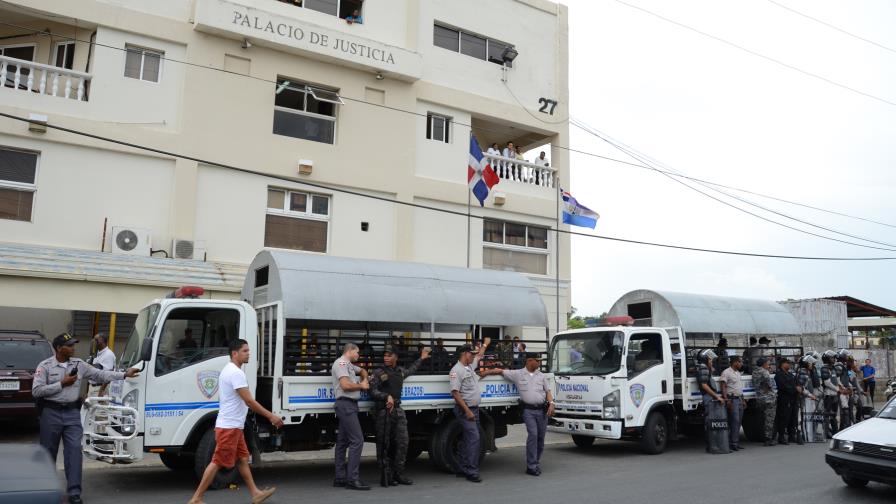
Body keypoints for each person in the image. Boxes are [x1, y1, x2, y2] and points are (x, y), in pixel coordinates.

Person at [32, 333, 140, 504]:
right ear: (59, 348)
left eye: (74, 344)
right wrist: (61, 384)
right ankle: (47, 491)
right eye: (70, 345)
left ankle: (74, 493)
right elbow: (37, 391)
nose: (74, 348)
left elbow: (100, 375)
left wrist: (124, 374)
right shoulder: (45, 366)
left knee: (74, 452)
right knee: (47, 454)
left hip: (72, 414)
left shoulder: (79, 364)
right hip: (51, 413)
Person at [189, 339, 281, 504]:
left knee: (242, 459)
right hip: (229, 427)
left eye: (248, 350)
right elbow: (249, 401)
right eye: (245, 351)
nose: (248, 353)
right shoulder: (235, 373)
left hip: (233, 426)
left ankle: (255, 494)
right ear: (235, 353)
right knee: (217, 461)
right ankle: (197, 497)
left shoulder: (228, 370)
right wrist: (271, 416)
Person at [481, 353, 554, 475]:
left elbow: (548, 391)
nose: (540, 363)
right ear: (530, 361)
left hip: (542, 411)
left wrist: (552, 403)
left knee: (540, 438)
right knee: (533, 435)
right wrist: (486, 373)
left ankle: (535, 461)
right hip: (528, 411)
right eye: (538, 361)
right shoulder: (518, 374)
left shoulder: (541, 376)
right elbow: (500, 371)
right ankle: (531, 466)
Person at [368, 344, 430, 486]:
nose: (386, 357)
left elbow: (412, 369)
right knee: (384, 445)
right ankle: (386, 475)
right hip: (383, 412)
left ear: (396, 357)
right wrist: (385, 396)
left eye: (389, 355)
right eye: (385, 355)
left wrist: (422, 358)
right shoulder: (378, 372)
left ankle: (398, 473)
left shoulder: (400, 371)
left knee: (403, 442)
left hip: (397, 410)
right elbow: (372, 391)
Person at [450, 337, 490, 482]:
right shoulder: (457, 370)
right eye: (471, 354)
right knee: (474, 439)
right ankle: (471, 471)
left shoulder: (468, 367)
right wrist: (467, 411)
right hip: (466, 410)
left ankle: (463, 468)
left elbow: (480, 356)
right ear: (465, 354)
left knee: (468, 440)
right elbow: (455, 393)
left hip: (474, 409)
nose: (473, 356)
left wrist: (485, 344)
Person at [332, 343, 370, 490]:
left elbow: (363, 371)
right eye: (357, 352)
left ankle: (340, 478)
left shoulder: (349, 365)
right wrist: (362, 386)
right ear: (350, 350)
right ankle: (352, 479)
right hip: (346, 404)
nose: (358, 355)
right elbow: (345, 385)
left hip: (348, 405)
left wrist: (364, 379)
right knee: (357, 440)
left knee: (342, 442)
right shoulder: (341, 363)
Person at [696, 349, 728, 454]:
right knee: (711, 423)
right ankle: (712, 446)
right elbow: (704, 385)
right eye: (709, 359)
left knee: (713, 422)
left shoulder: (705, 368)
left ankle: (713, 446)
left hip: (709, 397)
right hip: (708, 398)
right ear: (705, 359)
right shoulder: (703, 368)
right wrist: (716, 396)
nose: (711, 361)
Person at [720, 355, 745, 451]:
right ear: (735, 362)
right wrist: (727, 400)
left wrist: (743, 400)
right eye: (740, 362)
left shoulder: (738, 373)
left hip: (739, 399)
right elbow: (723, 386)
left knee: (738, 422)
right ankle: (732, 443)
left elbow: (739, 388)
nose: (741, 364)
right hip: (732, 399)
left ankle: (736, 442)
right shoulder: (726, 372)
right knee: (734, 421)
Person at [773, 358, 800, 445]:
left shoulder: (791, 374)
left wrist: (799, 388)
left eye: (789, 363)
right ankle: (781, 437)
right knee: (784, 418)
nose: (789, 365)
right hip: (784, 399)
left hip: (793, 398)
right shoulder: (779, 375)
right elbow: (783, 386)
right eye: (787, 363)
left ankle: (791, 436)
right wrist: (795, 389)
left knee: (793, 417)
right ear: (782, 364)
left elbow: (797, 383)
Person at [752, 357, 777, 446]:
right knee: (769, 420)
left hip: (759, 398)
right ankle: (768, 439)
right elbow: (769, 385)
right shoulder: (764, 372)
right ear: (763, 364)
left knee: (761, 419)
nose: (769, 365)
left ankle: (762, 436)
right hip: (768, 399)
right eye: (767, 363)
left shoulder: (754, 372)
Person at [820, 350, 840, 437]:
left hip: (835, 394)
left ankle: (835, 431)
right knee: (827, 414)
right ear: (827, 358)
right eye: (832, 358)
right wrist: (837, 389)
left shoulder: (833, 368)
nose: (834, 359)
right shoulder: (824, 368)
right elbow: (827, 383)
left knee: (833, 414)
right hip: (828, 395)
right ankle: (826, 432)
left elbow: (837, 380)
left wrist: (840, 388)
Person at [833, 350, 852, 429]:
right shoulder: (838, 365)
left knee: (846, 409)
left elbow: (846, 379)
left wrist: (849, 387)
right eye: (846, 356)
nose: (847, 357)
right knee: (844, 409)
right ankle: (845, 427)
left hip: (845, 390)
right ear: (842, 357)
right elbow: (837, 379)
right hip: (842, 392)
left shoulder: (843, 365)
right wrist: (842, 389)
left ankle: (843, 427)